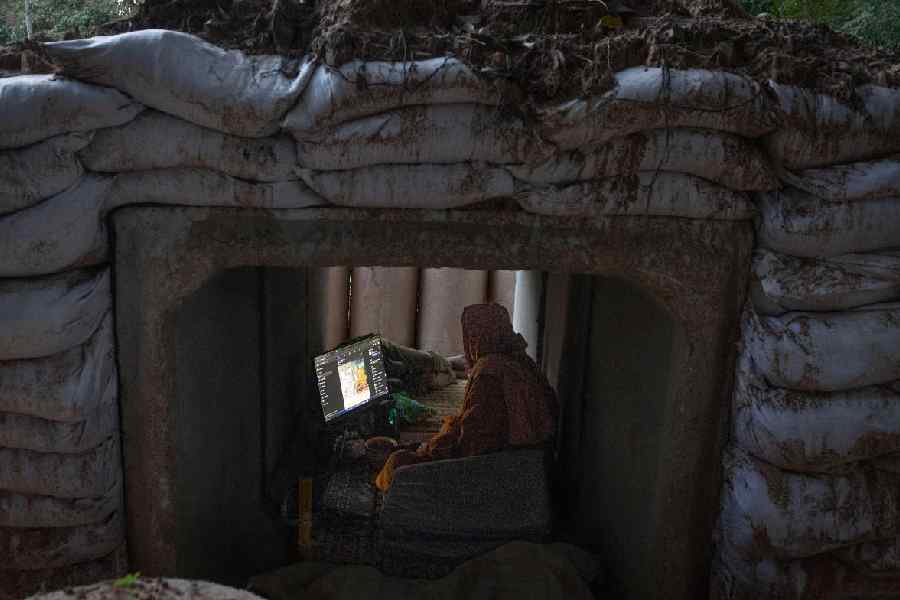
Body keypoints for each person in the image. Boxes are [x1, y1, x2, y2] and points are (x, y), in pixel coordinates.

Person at [375, 303, 559, 492]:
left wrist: (429, 449)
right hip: (525, 464)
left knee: (396, 463)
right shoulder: (522, 362)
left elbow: (473, 445)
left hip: (498, 471)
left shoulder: (489, 375)